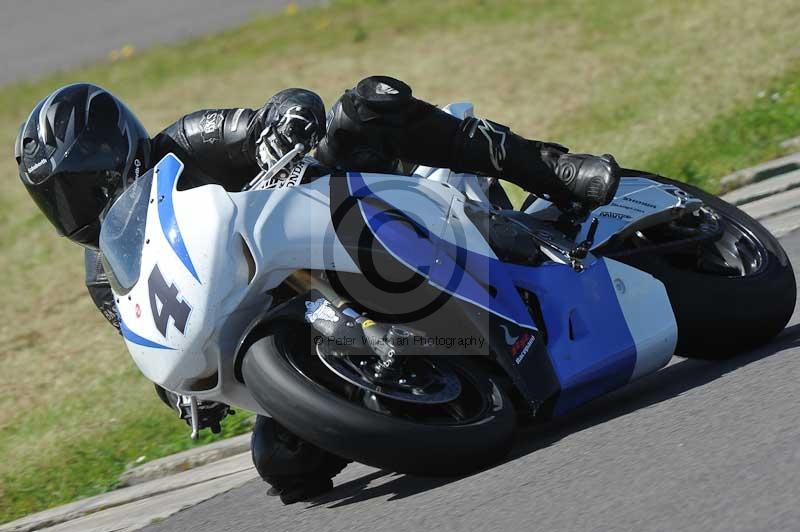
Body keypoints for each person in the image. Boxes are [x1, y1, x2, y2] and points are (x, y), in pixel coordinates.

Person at [15, 76, 620, 503]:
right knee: (286, 469)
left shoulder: (186, 144)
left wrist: (286, 122)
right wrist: (184, 396)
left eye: (82, 179)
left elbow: (273, 114)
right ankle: (427, 388)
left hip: (345, 223)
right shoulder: (105, 273)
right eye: (59, 197)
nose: (79, 203)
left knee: (365, 105)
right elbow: (152, 345)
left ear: (115, 145)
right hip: (280, 324)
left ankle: (550, 167)